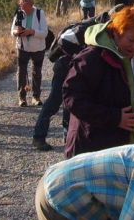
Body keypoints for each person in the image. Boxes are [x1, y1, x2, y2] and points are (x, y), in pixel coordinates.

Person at [61, 6, 134, 157]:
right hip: (94, 150)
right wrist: (114, 117)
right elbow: (71, 97)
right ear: (116, 32)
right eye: (131, 40)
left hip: (132, 150)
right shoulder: (92, 57)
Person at [32, 8, 118, 152]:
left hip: (74, 67)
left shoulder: (103, 29)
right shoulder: (92, 29)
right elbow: (67, 44)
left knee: (71, 104)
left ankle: (68, 138)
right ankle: (38, 137)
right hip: (65, 67)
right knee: (54, 102)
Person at [13, 0, 49, 107]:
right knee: (21, 72)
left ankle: (36, 97)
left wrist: (31, 32)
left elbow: (44, 33)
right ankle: (22, 98)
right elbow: (12, 30)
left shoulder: (39, 13)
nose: (20, 3)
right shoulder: (19, 13)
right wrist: (17, 32)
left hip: (38, 48)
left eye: (21, 1)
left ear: (28, 3)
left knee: (36, 72)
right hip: (22, 47)